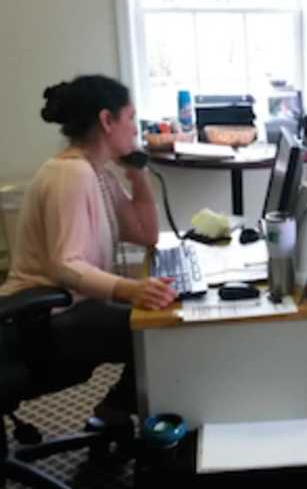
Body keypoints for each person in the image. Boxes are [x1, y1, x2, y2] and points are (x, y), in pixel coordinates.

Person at [0, 75, 177, 422]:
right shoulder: (71, 174)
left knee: (156, 323)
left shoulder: (98, 174)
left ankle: (115, 411)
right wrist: (130, 289)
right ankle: (116, 411)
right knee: (161, 333)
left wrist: (137, 174)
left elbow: (146, 233)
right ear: (106, 121)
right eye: (129, 118)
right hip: (39, 321)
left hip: (64, 311)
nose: (135, 129)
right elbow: (65, 266)